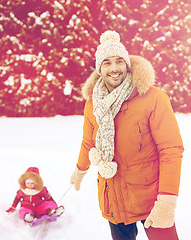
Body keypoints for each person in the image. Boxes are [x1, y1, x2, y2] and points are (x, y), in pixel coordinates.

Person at [70, 30, 184, 240]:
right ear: (99, 68)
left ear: (127, 64)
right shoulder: (93, 103)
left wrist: (167, 201)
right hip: (113, 196)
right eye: (107, 63)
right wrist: (80, 169)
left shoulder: (153, 98)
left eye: (119, 61)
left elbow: (171, 150)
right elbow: (88, 141)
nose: (114, 68)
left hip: (151, 198)